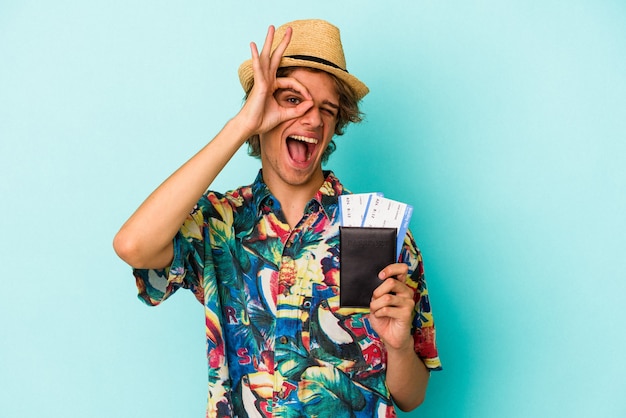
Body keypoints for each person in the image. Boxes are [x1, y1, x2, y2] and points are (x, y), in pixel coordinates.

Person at [114, 19, 441, 417]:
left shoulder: (380, 232)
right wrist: (240, 126)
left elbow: (412, 397)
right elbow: (133, 245)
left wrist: (399, 344)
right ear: (261, 107)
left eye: (327, 109)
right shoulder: (219, 224)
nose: (313, 119)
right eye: (291, 100)